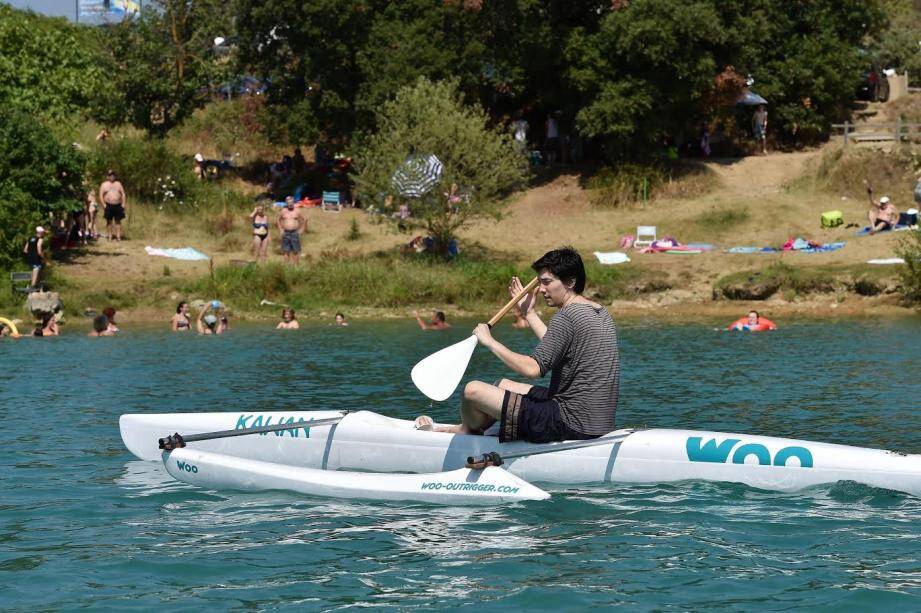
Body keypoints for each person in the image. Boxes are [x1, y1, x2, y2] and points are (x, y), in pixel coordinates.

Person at [415, 247, 620, 444]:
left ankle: (467, 432)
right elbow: (555, 343)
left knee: (472, 391)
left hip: (569, 423)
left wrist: (490, 341)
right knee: (502, 384)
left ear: (570, 282)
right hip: (597, 422)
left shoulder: (565, 316)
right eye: (540, 282)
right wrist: (529, 313)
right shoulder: (599, 311)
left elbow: (533, 369)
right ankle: (477, 427)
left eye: (547, 282)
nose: (541, 289)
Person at [99, 169, 127, 241]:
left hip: (118, 205)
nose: (112, 177)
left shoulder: (118, 184)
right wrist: (104, 205)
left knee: (118, 221)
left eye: (113, 175)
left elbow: (123, 194)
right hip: (108, 205)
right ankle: (110, 236)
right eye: (110, 175)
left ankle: (118, 236)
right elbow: (101, 195)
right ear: (107, 177)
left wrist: (123, 204)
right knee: (109, 221)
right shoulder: (104, 184)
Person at [277, 196, 305, 265]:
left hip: (294, 233)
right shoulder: (283, 211)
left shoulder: (297, 210)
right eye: (288, 203)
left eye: (291, 202)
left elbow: (304, 220)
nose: (290, 204)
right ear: (286, 203)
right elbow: (278, 220)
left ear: (293, 202)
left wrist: (302, 229)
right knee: (286, 251)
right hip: (286, 233)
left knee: (295, 251)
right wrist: (280, 229)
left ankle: (295, 268)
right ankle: (286, 267)